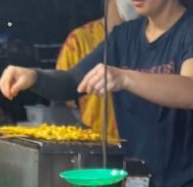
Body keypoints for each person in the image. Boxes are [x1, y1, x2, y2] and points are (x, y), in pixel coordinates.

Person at [0, 0, 193, 187]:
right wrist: (34, 77)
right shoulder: (124, 37)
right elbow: (74, 81)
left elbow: (192, 90)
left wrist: (124, 77)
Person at [55, 0, 134, 140]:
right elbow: (65, 98)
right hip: (96, 144)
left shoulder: (150, 38)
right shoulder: (79, 41)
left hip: (143, 145)